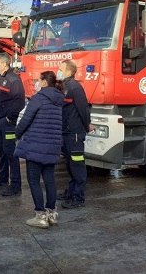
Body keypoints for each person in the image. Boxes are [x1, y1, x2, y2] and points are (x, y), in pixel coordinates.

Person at [15, 71, 64, 228]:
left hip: (35, 146)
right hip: (52, 146)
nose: (36, 82)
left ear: (44, 83)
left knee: (34, 179)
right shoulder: (58, 100)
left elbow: (25, 120)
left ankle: (40, 216)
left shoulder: (38, 99)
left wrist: (17, 134)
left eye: (38, 80)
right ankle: (52, 214)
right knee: (49, 179)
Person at [57, 59, 94, 209]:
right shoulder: (65, 86)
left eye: (61, 69)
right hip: (66, 132)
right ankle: (71, 191)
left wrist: (86, 126)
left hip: (75, 133)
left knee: (77, 165)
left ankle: (78, 197)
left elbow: (83, 109)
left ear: (69, 71)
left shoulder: (75, 87)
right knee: (70, 164)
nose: (58, 71)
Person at [0, 53, 25, 196]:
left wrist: (10, 116)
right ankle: (2, 177)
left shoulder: (14, 79)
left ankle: (15, 184)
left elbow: (19, 101)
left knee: (10, 151)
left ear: (4, 64)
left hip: (7, 122)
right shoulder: (0, 78)